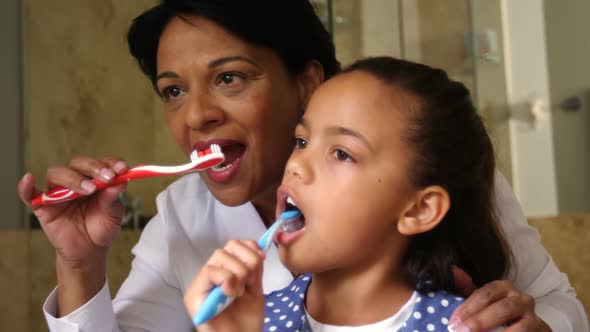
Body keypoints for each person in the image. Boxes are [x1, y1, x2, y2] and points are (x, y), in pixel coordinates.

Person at [16, 1, 587, 331]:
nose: (195, 116)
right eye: (172, 90)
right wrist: (80, 266)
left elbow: (564, 309)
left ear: (307, 81)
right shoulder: (182, 218)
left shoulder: (437, 175)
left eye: (229, 78)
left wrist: (535, 325)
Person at [184, 56, 514, 332]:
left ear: (419, 209)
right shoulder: (249, 321)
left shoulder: (465, 326)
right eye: (301, 142)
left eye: (341, 153)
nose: (297, 164)